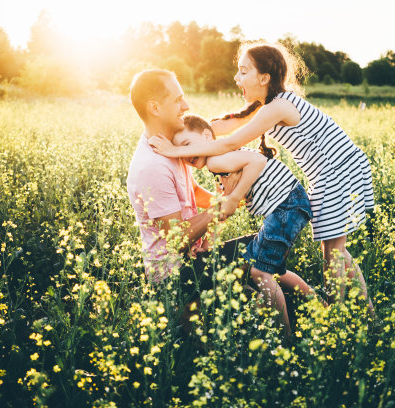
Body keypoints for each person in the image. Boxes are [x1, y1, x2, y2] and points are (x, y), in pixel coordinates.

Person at [149, 43, 375, 314]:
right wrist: (185, 127)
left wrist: (176, 150)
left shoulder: (279, 106)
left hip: (338, 170)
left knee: (334, 252)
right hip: (334, 171)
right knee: (337, 251)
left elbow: (227, 143)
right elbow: (217, 129)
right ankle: (364, 315)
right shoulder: (265, 105)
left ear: (264, 78)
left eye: (243, 72)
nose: (237, 78)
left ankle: (337, 318)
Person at [174, 114, 322, 336]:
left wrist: (235, 197)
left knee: (259, 272)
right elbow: (223, 210)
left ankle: (287, 338)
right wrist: (208, 242)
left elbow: (258, 162)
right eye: (181, 153)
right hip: (292, 204)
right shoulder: (221, 161)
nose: (187, 156)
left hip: (285, 206)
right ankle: (321, 307)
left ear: (207, 135)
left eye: (187, 146)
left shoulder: (216, 160)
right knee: (273, 268)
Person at [126, 69, 253, 304]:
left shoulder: (170, 148)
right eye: (177, 100)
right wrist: (223, 207)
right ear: (154, 108)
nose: (186, 105)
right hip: (173, 276)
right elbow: (178, 239)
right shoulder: (152, 165)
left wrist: (237, 197)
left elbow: (192, 192)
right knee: (260, 250)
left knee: (259, 256)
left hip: (192, 258)